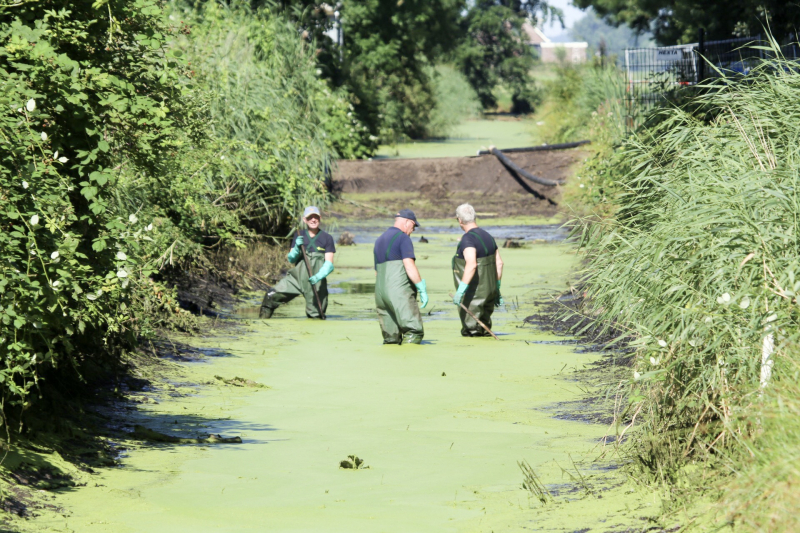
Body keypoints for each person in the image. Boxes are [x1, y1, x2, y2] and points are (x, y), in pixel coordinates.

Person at [259, 206, 335, 319]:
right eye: (310, 218)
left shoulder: (327, 238)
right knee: (271, 296)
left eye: (315, 217)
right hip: (296, 279)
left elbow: (329, 264)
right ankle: (262, 325)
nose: (313, 220)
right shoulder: (299, 235)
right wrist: (296, 249)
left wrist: (318, 276)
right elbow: (291, 259)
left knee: (315, 316)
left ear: (320, 218)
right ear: (305, 220)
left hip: (316, 283)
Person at [373, 209, 429, 344]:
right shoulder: (403, 238)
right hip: (398, 293)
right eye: (414, 226)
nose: (413, 230)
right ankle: (409, 362)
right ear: (407, 222)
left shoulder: (379, 240)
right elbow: (409, 265)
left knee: (391, 337)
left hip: (380, 294)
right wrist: (421, 287)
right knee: (413, 332)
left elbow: (376, 272)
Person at [452, 203, 504, 336]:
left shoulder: (468, 239)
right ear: (474, 217)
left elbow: (472, 264)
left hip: (474, 296)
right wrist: (496, 287)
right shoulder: (488, 236)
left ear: (459, 220)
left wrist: (461, 290)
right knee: (485, 329)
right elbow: (499, 263)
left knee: (472, 331)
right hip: (490, 293)